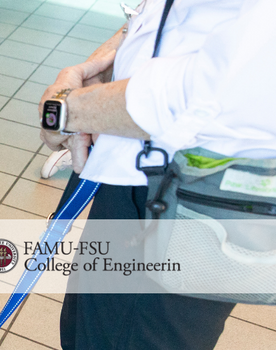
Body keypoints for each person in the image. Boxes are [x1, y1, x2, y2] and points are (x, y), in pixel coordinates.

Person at [37, 0, 276, 348]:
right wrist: (108, 63)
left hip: (178, 195)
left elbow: (231, 84)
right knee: (83, 335)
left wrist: (66, 110)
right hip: (135, 178)